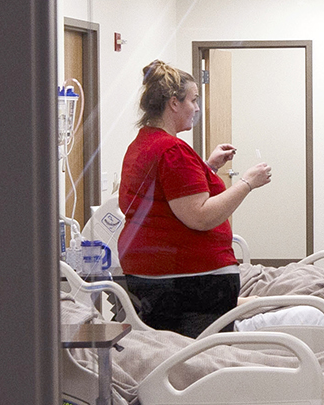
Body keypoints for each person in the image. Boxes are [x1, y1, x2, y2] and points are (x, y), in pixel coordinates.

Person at [116, 60, 274, 337]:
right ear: (173, 104)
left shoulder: (143, 144)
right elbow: (199, 216)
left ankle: (248, 306)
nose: (197, 108)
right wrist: (248, 183)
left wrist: (208, 168)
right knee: (203, 357)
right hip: (187, 282)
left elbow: (173, 198)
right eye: (193, 99)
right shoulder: (171, 149)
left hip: (159, 277)